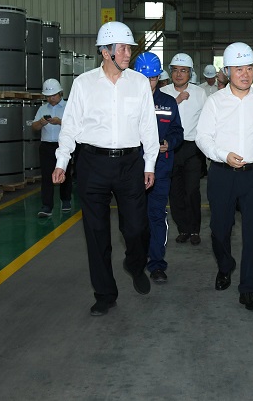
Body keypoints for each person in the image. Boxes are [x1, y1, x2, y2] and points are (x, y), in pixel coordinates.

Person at [53, 21, 159, 316]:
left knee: (136, 228)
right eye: (122, 48)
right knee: (96, 231)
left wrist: (150, 164)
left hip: (130, 163)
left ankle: (135, 264)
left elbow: (148, 127)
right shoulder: (84, 83)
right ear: (105, 52)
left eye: (128, 48)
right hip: (92, 163)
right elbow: (70, 125)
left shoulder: (139, 83)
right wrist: (62, 161)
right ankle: (105, 294)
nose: (128, 54)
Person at [196, 42, 253, 311]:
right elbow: (202, 138)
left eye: (249, 68)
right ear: (227, 72)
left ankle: (248, 289)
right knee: (219, 229)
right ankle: (225, 265)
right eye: (239, 69)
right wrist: (222, 155)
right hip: (222, 174)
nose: (245, 74)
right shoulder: (214, 102)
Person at [133, 52, 184, 283]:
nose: (148, 83)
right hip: (132, 169)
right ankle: (137, 258)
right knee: (133, 218)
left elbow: (177, 132)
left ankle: (156, 264)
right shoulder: (126, 102)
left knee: (156, 215)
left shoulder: (168, 103)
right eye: (144, 78)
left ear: (159, 78)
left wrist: (168, 143)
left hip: (160, 170)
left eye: (153, 78)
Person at [161, 53, 208, 246]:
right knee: (175, 192)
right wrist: (177, 101)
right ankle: (183, 229)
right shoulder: (163, 93)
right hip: (170, 148)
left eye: (183, 71)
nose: (179, 74)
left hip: (192, 149)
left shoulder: (199, 93)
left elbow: (207, 120)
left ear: (190, 73)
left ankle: (195, 229)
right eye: (175, 70)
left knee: (192, 190)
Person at [32, 78, 72, 217]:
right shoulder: (42, 108)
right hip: (47, 146)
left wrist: (60, 122)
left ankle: (66, 200)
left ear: (60, 93)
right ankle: (47, 205)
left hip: (64, 145)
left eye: (53, 95)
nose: (51, 98)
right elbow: (34, 127)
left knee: (65, 173)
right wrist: (41, 123)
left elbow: (75, 125)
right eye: (48, 96)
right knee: (46, 176)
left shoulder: (69, 107)